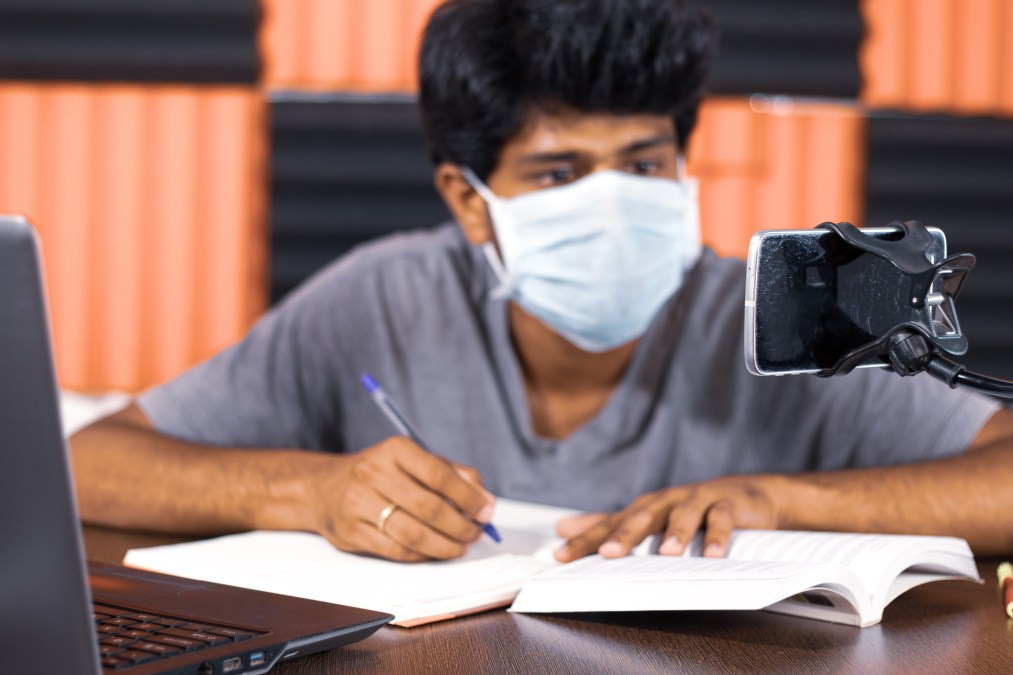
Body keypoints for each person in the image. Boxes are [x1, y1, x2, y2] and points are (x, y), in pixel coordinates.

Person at [71, 0, 1012, 564]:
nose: (610, 203)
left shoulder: (775, 319)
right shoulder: (380, 300)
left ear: (684, 168)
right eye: (559, 174)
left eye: (642, 167)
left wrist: (783, 500)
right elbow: (87, 463)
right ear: (470, 201)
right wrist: (304, 492)